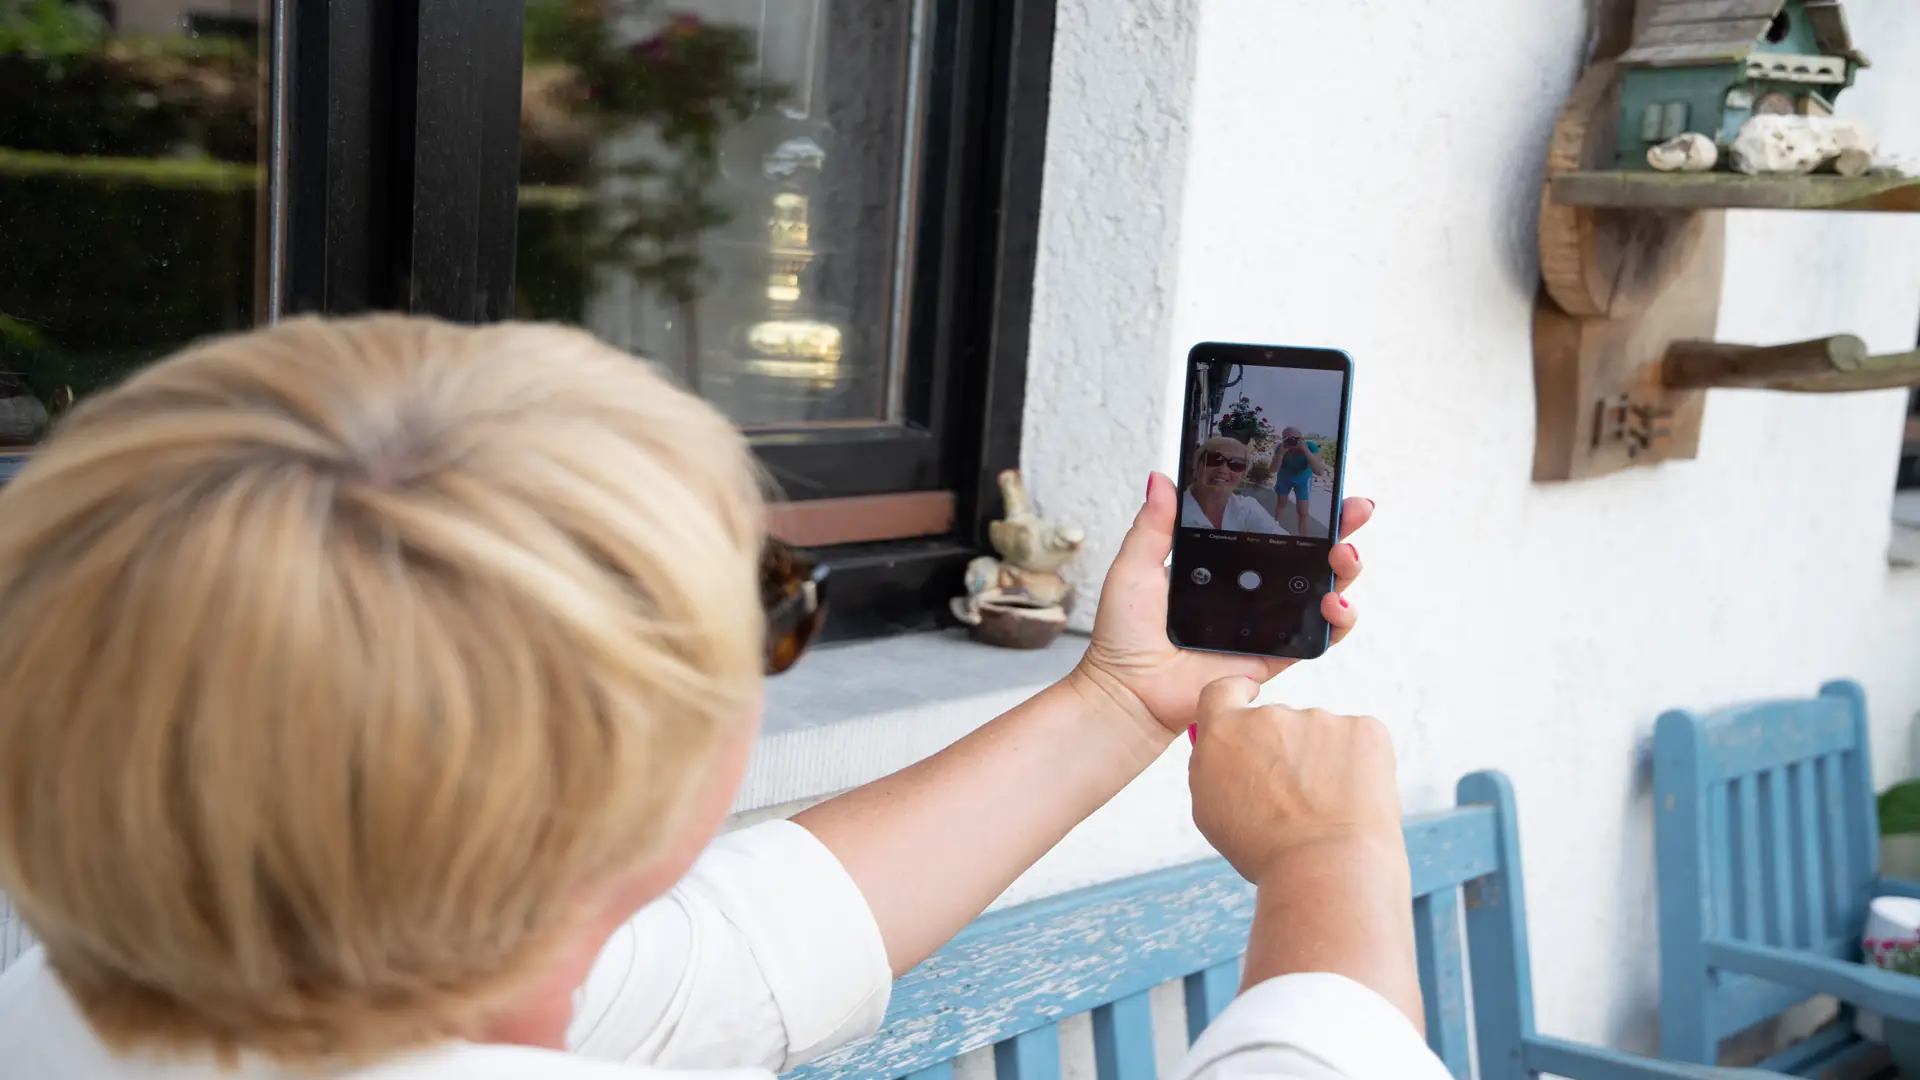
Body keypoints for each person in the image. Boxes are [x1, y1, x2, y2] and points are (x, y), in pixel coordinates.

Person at [0, 315, 1440, 1080]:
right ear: (643, 777)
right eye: (770, 596)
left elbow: (722, 961)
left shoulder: (68, 1010)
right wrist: (1332, 872)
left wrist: (1123, 701)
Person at [1181, 435, 1282, 534]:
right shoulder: (1175, 510)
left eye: (1236, 464)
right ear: (1197, 465)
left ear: (1243, 474)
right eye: (1214, 460)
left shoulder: (1248, 510)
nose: (1223, 470)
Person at [1273, 426, 1332, 538]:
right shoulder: (1281, 448)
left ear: (1301, 439)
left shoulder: (1310, 447)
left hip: (1303, 479)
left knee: (1303, 512)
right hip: (1284, 477)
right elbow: (1273, 470)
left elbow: (1319, 471)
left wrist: (1305, 450)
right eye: (1285, 438)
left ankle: (1303, 539)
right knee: (1281, 504)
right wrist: (1280, 454)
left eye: (1293, 439)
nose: (1290, 442)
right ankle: (1273, 530)